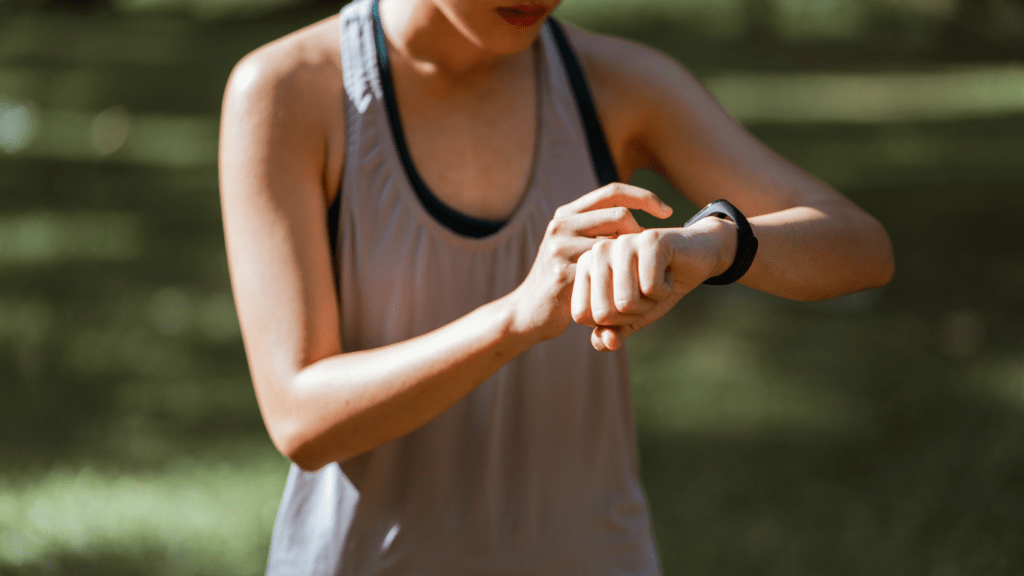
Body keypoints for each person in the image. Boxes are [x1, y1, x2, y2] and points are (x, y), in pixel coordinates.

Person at [218, 0, 895, 573]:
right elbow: (300, 418)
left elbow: (860, 246)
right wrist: (518, 316)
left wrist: (716, 242)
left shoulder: (616, 82)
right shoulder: (289, 90)